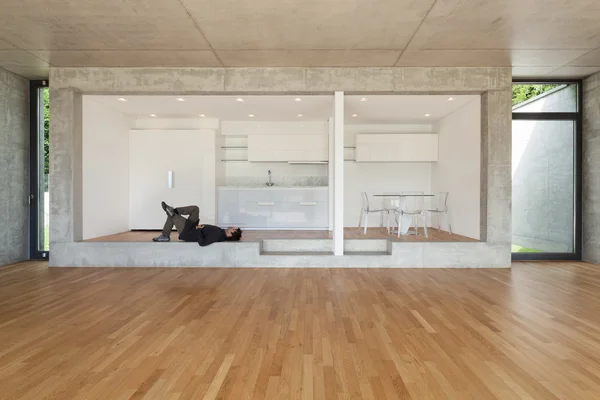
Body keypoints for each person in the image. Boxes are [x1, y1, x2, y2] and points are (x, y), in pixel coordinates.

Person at [152, 202, 242, 246]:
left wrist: (198, 230)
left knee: (172, 216)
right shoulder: (220, 232)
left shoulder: (218, 236)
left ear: (230, 234)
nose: (232, 227)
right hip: (193, 227)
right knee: (195, 209)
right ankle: (176, 210)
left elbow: (202, 243)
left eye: (234, 229)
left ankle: (165, 234)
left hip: (187, 232)